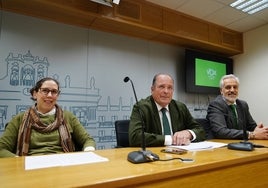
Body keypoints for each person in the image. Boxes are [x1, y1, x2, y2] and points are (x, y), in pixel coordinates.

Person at [0, 77, 96, 158]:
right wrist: (19, 162)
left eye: (54, 92)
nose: (50, 95)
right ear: (35, 93)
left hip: (63, 167)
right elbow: (1, 148)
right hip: (31, 168)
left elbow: (87, 140)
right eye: (45, 91)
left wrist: (88, 152)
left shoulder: (68, 117)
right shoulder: (19, 119)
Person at [128, 73, 206, 147]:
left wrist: (189, 133)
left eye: (170, 88)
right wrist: (171, 139)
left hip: (179, 153)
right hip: (155, 155)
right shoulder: (141, 107)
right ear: (152, 89)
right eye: (161, 87)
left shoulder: (180, 107)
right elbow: (135, 137)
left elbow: (201, 131)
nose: (166, 91)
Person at [206, 74, 268, 140]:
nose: (232, 90)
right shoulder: (216, 105)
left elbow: (251, 126)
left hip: (239, 143)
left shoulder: (243, 104)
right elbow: (221, 132)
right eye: (228, 87)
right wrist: (251, 135)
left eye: (235, 87)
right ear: (221, 91)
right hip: (220, 144)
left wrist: (260, 130)